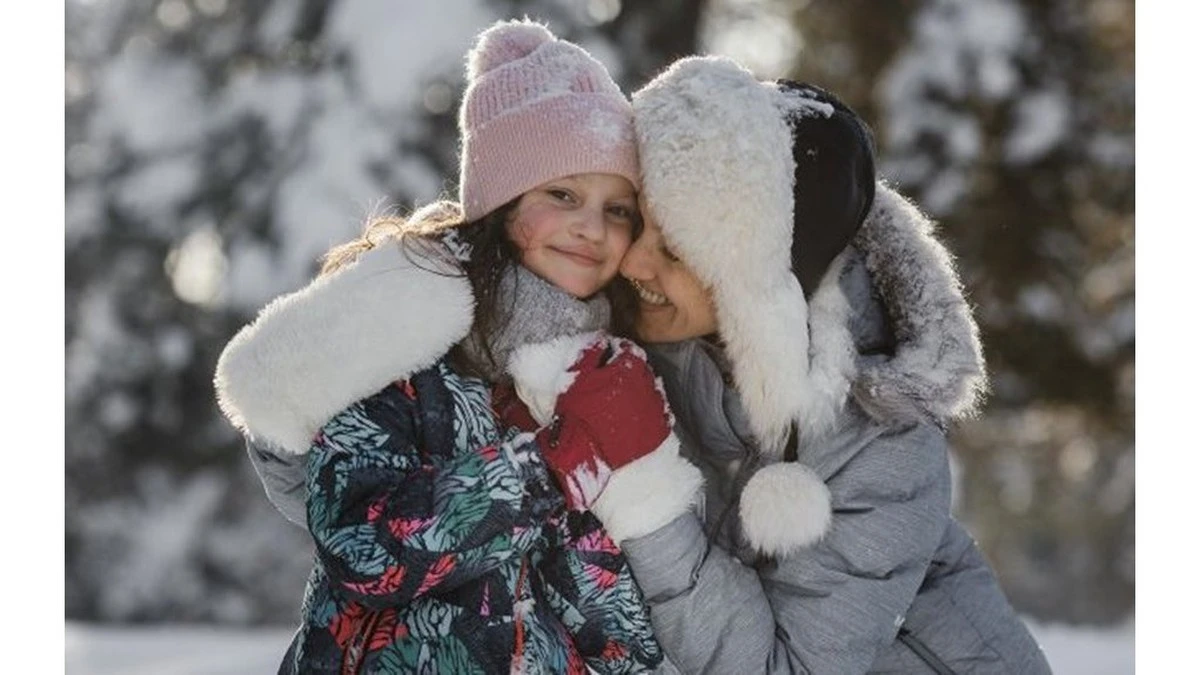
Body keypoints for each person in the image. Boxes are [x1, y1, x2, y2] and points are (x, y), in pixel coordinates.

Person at [214, 19, 673, 674]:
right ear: (502, 199)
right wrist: (550, 466)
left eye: (618, 208)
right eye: (562, 194)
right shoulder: (403, 339)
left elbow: (606, 612)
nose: (591, 227)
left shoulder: (596, 370)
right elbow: (362, 548)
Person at [574, 56, 1055, 674]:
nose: (635, 264)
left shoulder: (884, 442)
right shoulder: (671, 327)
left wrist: (645, 490)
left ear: (759, 278)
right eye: (641, 220)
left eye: (676, 249)